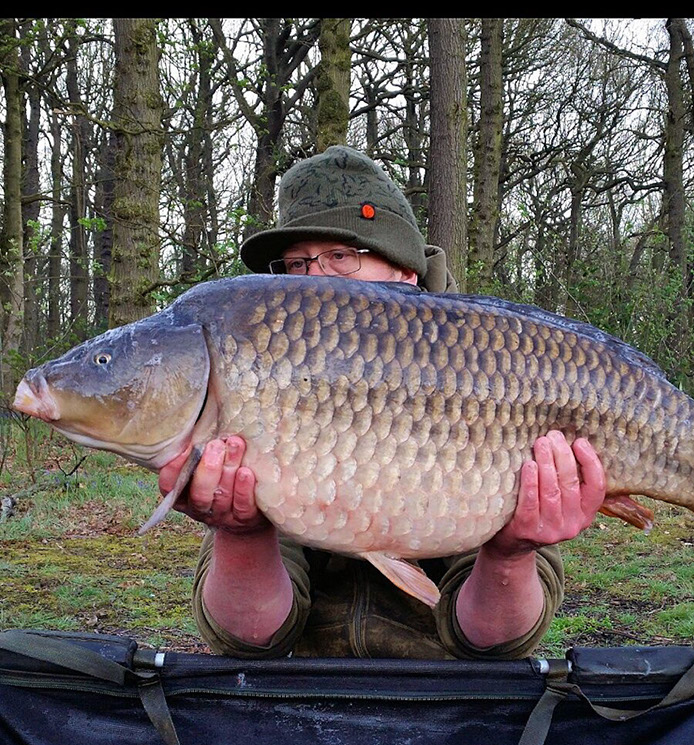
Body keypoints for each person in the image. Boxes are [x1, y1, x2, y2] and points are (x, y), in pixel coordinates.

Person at [158, 145, 606, 660]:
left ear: (405, 274)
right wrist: (241, 535)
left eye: (342, 257)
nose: (314, 281)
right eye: (297, 264)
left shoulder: (494, 369)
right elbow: (251, 638)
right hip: (298, 696)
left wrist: (510, 555)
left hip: (455, 701)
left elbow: (496, 644)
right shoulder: (265, 387)